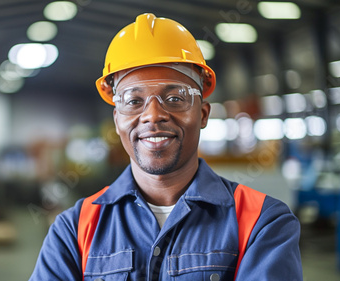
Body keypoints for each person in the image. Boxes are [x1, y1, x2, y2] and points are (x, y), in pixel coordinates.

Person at [29, 13, 302, 281]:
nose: (153, 115)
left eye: (174, 97)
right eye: (134, 101)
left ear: (203, 114)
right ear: (117, 120)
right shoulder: (74, 230)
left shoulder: (262, 222)